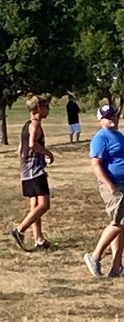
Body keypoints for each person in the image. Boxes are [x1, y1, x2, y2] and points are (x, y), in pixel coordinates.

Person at [83, 104, 124, 278]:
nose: (112, 118)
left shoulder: (119, 136)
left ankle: (117, 267)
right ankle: (94, 256)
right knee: (119, 223)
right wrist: (111, 186)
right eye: (107, 117)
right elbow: (95, 165)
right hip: (115, 185)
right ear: (100, 121)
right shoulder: (100, 138)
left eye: (113, 115)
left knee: (122, 224)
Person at [11, 95, 54, 252]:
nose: (48, 110)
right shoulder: (35, 124)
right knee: (44, 204)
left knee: (35, 205)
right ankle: (20, 230)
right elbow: (32, 144)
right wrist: (48, 153)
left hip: (26, 171)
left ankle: (39, 240)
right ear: (38, 109)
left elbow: (20, 149)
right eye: (46, 107)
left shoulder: (26, 125)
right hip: (35, 171)